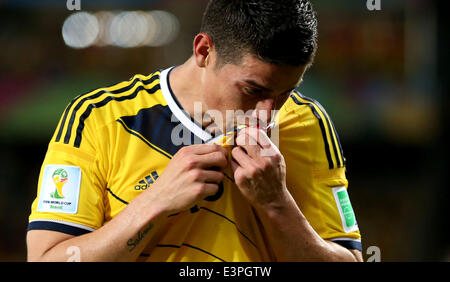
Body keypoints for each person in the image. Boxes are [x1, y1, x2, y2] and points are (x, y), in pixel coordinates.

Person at [26, 0, 363, 262]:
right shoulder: (99, 118)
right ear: (204, 51)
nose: (268, 114)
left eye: (286, 93)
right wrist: (155, 203)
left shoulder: (309, 123)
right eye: (253, 90)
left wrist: (276, 204)